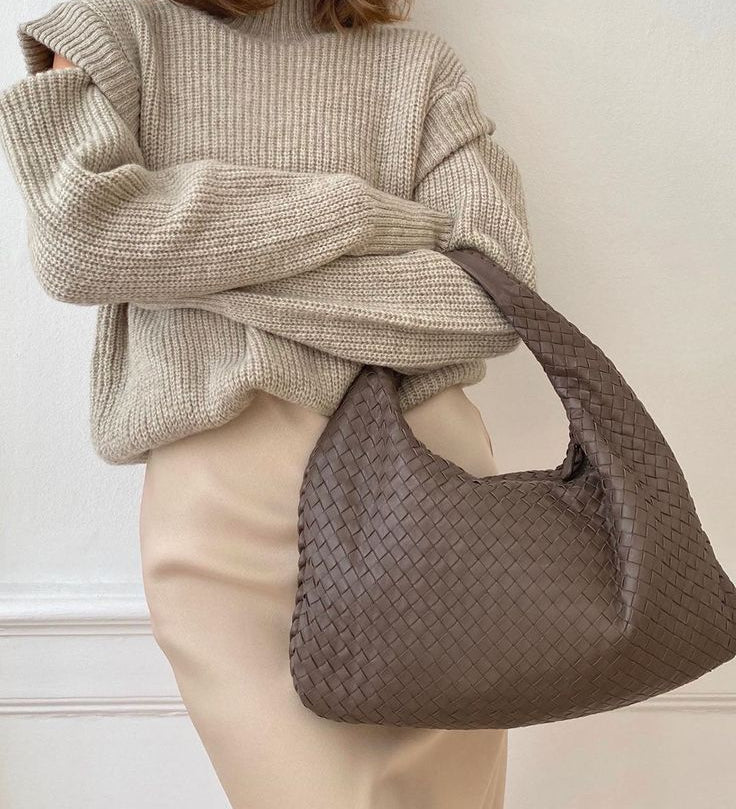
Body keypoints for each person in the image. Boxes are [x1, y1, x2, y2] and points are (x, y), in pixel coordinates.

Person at [0, 0, 537, 806]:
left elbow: (493, 296)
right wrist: (356, 213)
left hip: (436, 490)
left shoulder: (419, 67)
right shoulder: (109, 32)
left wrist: (197, 272)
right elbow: (83, 242)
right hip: (228, 514)